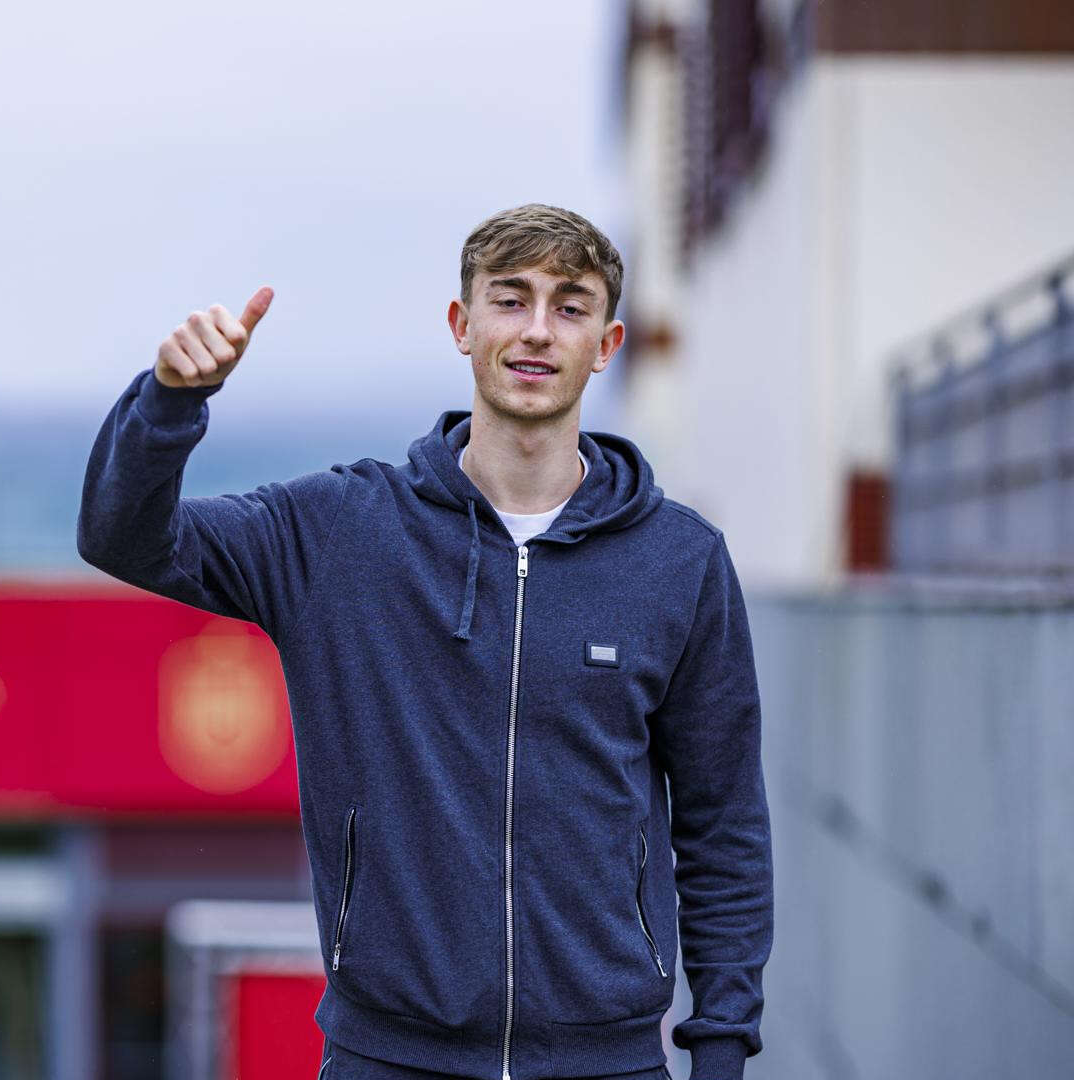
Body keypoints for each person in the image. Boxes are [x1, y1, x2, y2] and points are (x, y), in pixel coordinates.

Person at [76, 204, 771, 1080]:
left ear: (606, 342)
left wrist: (721, 1051)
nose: (536, 331)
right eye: (510, 300)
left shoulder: (679, 560)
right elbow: (123, 537)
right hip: (387, 1056)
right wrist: (171, 403)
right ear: (462, 324)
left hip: (611, 1060)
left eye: (569, 305)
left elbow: (723, 824)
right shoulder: (340, 533)